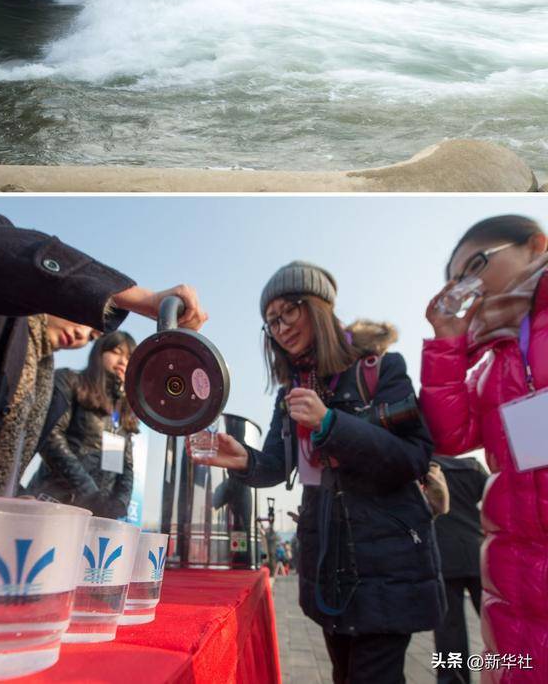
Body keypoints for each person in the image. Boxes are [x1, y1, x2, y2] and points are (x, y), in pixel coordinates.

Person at [194, 261, 445, 684]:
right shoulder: (289, 390)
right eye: (270, 321)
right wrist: (242, 460)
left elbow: (413, 457)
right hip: (328, 559)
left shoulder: (380, 368)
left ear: (318, 306)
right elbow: (277, 464)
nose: (280, 327)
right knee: (342, 674)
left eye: (287, 311)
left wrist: (331, 424)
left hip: (387, 560)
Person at [0, 212, 206, 513]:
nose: (80, 334)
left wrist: (16, 498)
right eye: (88, 324)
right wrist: (137, 298)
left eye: (91, 336)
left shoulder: (42, 374)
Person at [420, 214, 548, 684]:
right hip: (516, 581)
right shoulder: (494, 358)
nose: (465, 286)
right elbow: (450, 437)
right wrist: (447, 344)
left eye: (475, 266)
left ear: (536, 246)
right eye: (454, 280)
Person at [28, 331, 139, 517]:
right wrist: (89, 492)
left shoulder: (122, 408)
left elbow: (125, 465)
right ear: (99, 352)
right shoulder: (70, 381)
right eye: (116, 351)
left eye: (129, 357)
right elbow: (51, 437)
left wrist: (120, 502)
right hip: (55, 502)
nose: (123, 361)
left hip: (98, 514)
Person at [432, 455, 488, 684]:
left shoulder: (426, 466)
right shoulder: (474, 467)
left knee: (449, 630)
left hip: (443, 556)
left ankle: (452, 680)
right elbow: (493, 501)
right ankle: (514, 672)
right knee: (499, 626)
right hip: (478, 553)